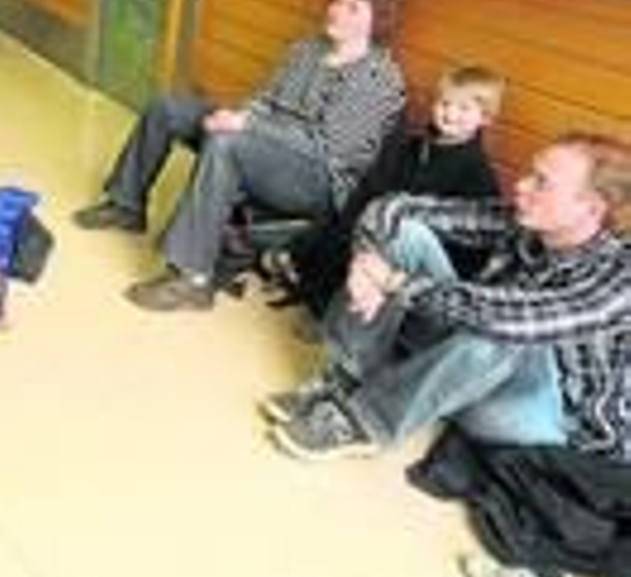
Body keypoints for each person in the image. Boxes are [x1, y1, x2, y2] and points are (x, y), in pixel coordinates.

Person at [264, 133, 631, 463]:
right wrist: (366, 264)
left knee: (499, 329)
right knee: (404, 236)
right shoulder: (522, 220)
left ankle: (366, 421)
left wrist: (391, 280)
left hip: (542, 417)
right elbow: (392, 207)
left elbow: (512, 319)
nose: (520, 186)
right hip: (472, 362)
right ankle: (344, 381)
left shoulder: (620, 278)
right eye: (528, 173)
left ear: (592, 208)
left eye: (541, 183)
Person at [74, 0, 407, 312]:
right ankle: (126, 204)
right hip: (265, 143)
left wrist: (247, 127)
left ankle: (192, 278)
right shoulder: (307, 50)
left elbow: (328, 150)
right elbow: (265, 101)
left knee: (227, 144)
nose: (336, 10)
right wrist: (238, 115)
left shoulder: (378, 78)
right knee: (168, 107)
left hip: (317, 179)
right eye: (337, 0)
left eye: (353, 7)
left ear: (379, 19)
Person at [287, 64, 506, 317]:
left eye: (464, 108)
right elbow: (374, 186)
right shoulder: (414, 146)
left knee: (381, 244)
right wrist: (352, 221)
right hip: (380, 222)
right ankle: (314, 294)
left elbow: (465, 245)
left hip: (427, 256)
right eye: (444, 103)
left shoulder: (477, 175)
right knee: (345, 215)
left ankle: (337, 316)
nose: (450, 114)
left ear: (485, 118)